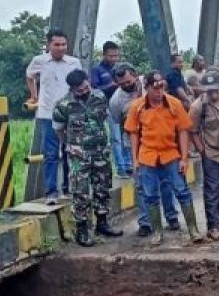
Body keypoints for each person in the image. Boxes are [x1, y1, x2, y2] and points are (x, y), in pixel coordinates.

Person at [125, 70, 204, 246]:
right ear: (146, 88)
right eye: (155, 88)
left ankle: (193, 229)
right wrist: (135, 159)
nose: (159, 92)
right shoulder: (137, 107)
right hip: (148, 156)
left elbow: (183, 131)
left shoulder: (174, 104)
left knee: (181, 190)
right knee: (150, 195)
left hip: (171, 154)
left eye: (162, 87)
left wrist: (184, 158)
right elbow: (133, 134)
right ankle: (157, 232)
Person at [52, 70, 123, 247]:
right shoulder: (63, 105)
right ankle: (82, 229)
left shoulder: (99, 97)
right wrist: (70, 144)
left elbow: (105, 119)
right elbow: (59, 129)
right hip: (79, 155)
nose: (84, 91)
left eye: (85, 87)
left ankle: (102, 223)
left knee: (103, 187)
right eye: (79, 90)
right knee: (80, 191)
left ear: (88, 82)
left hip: (100, 151)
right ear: (72, 89)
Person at [109, 65, 181, 236]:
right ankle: (145, 222)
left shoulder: (150, 83)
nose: (126, 85)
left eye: (128, 81)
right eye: (122, 84)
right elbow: (120, 124)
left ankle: (172, 217)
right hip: (138, 143)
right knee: (142, 185)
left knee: (166, 181)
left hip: (161, 141)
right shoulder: (116, 100)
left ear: (135, 76)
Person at [26, 29, 82, 204]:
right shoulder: (39, 61)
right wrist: (34, 96)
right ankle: (51, 192)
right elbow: (29, 76)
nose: (60, 48)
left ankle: (68, 188)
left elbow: (80, 83)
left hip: (69, 115)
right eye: (56, 44)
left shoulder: (74, 62)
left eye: (63, 44)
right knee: (51, 154)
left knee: (70, 152)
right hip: (47, 114)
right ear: (49, 45)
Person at [190, 70, 219, 240]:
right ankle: (213, 226)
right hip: (212, 152)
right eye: (208, 90)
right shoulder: (198, 106)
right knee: (212, 190)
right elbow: (193, 131)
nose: (212, 93)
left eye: (215, 89)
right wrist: (202, 150)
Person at [91, 41, 132, 177]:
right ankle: (120, 168)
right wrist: (112, 85)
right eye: (111, 56)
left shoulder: (120, 69)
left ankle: (128, 165)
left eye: (116, 56)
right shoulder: (97, 70)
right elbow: (94, 89)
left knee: (126, 135)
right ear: (104, 55)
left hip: (123, 106)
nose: (114, 59)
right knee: (115, 138)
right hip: (107, 106)